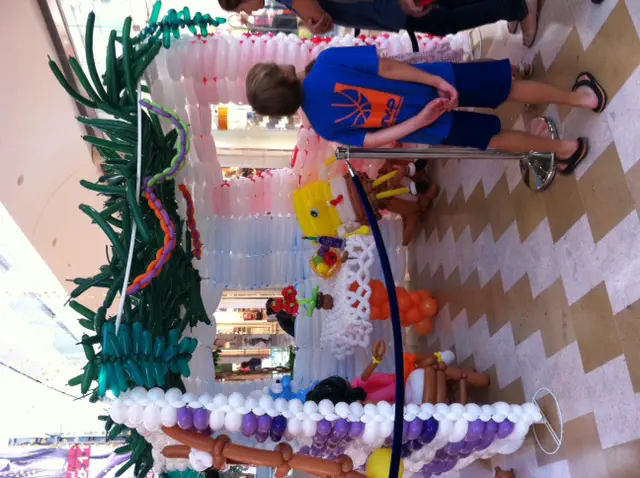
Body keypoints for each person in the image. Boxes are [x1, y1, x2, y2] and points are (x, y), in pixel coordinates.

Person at [246, 46, 608, 176]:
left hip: (431, 128)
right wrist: (433, 81)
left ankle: (565, 149)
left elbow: (376, 140)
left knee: (494, 138)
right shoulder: (325, 63)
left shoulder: (323, 127)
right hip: (439, 80)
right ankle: (583, 100)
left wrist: (419, 121)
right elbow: (389, 68)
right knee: (508, 88)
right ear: (282, 76)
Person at [219, 0, 539, 47]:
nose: (249, 12)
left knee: (445, 19)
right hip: (381, 8)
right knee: (446, 6)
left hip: (384, 6)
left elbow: (320, 20)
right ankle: (507, 6)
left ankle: (517, 7)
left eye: (243, 7)